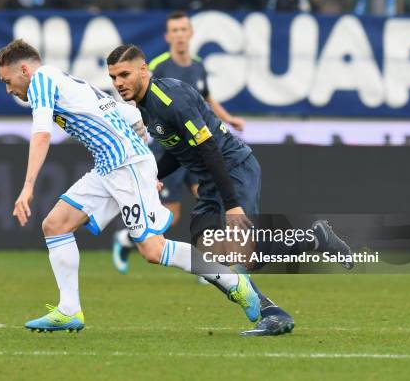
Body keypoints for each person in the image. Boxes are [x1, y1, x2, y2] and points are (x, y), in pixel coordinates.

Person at [0, 39, 261, 333]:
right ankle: (68, 310)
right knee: (55, 225)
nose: (8, 89)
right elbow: (130, 116)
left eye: (7, 81)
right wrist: (143, 160)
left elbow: (41, 134)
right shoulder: (63, 80)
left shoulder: (41, 81)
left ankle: (232, 281)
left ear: (24, 69)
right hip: (109, 166)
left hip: (124, 165)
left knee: (153, 250)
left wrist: (28, 186)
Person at [107, 44, 354, 335]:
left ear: (143, 69)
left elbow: (209, 147)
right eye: (113, 77)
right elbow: (177, 150)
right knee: (207, 259)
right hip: (211, 177)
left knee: (245, 253)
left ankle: (311, 246)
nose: (118, 83)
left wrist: (232, 203)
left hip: (233, 168)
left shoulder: (170, 99)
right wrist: (152, 174)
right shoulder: (145, 106)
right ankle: (274, 308)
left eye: (124, 74)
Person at [111, 11, 245, 276]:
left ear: (191, 33)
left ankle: (211, 263)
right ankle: (126, 239)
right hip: (169, 148)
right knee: (172, 212)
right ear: (167, 36)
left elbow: (205, 100)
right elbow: (144, 102)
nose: (180, 35)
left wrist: (227, 119)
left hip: (195, 145)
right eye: (174, 31)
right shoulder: (158, 66)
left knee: (208, 197)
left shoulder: (198, 65)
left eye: (184, 29)